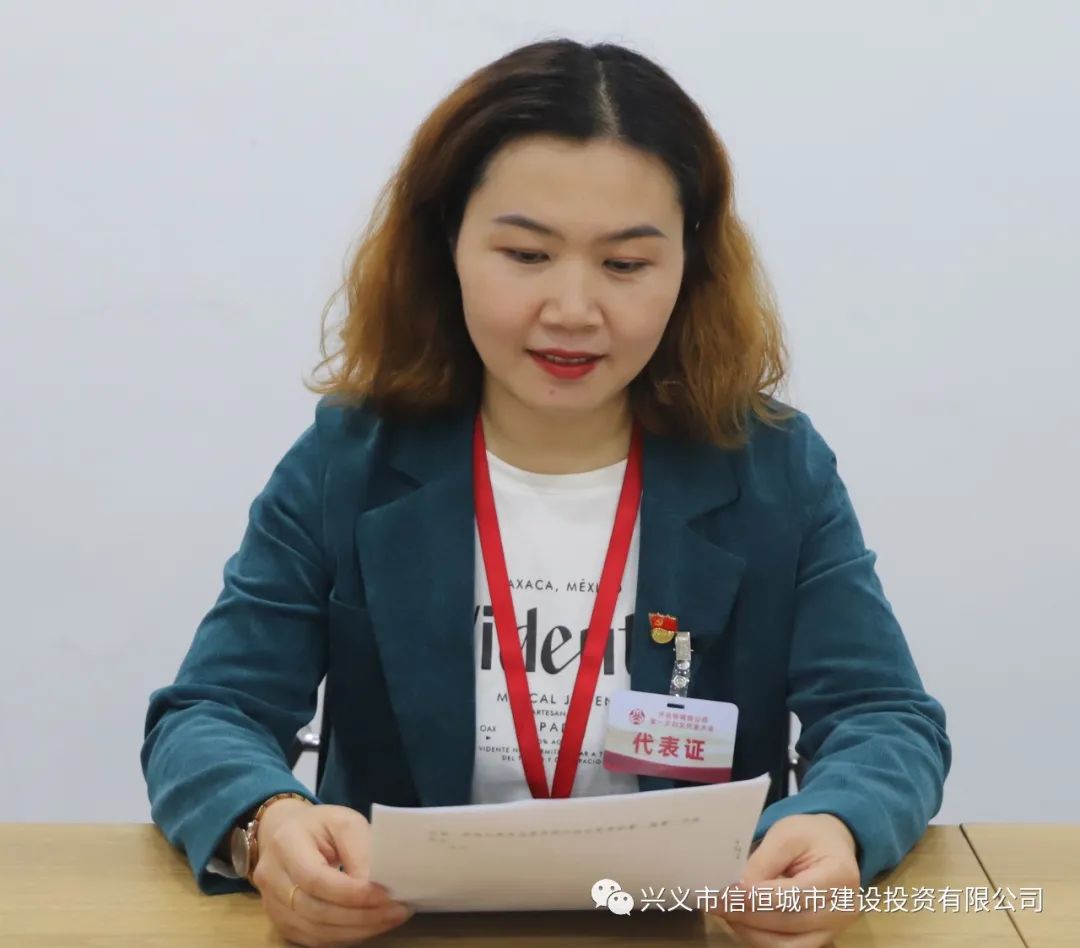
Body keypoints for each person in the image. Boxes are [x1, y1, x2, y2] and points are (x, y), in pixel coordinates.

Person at [141, 37, 950, 948]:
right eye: (526, 254)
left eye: (625, 265)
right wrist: (267, 824)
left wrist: (835, 825)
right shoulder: (351, 461)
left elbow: (884, 719)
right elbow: (209, 715)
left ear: (689, 267)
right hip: (404, 934)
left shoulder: (771, 470)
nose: (572, 310)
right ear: (448, 245)